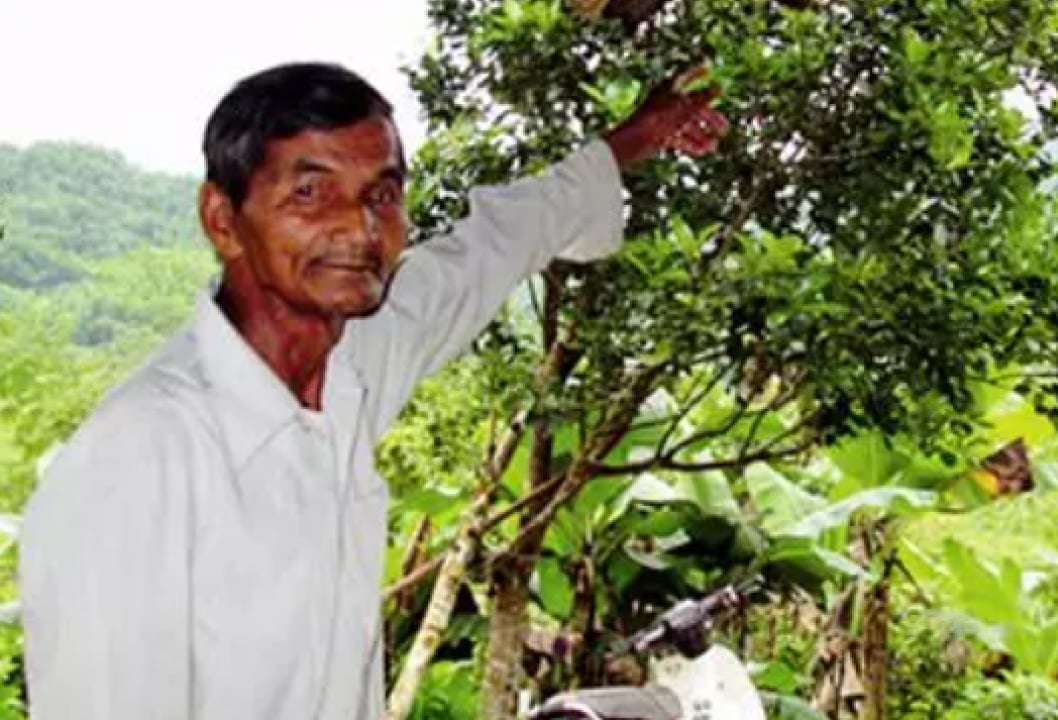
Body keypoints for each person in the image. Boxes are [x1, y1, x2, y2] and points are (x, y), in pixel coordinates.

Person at [18, 61, 727, 719]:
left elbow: (487, 249)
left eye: (381, 195)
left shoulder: (349, 366)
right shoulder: (141, 456)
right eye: (309, 192)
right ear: (222, 220)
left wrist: (634, 139)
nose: (357, 227)